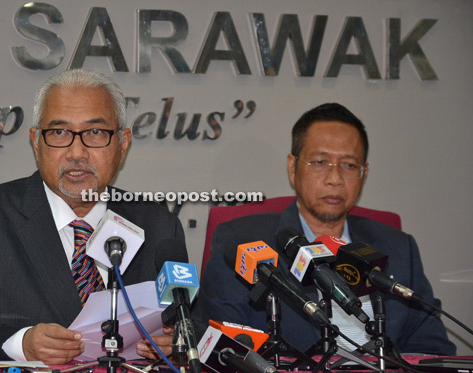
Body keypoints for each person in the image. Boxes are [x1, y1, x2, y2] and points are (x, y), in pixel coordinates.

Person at [0, 69, 186, 364]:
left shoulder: (158, 225)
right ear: (36, 141)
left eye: (95, 132)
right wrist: (20, 343)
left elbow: (191, 326)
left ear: (123, 143)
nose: (76, 152)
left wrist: (177, 342)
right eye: (59, 132)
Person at [192, 103, 456, 355]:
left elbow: (431, 350)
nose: (334, 179)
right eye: (320, 162)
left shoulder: (399, 248)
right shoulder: (244, 243)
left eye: (349, 165)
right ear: (293, 168)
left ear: (363, 173)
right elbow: (229, 347)